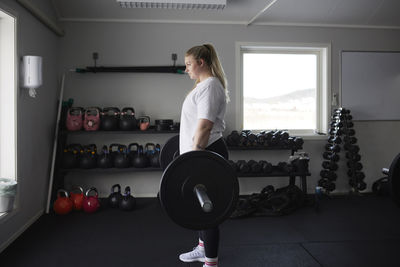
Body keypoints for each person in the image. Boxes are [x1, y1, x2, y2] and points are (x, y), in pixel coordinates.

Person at [178, 43, 229, 267]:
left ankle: (211, 262)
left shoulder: (210, 86)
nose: (186, 68)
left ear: (201, 62)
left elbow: (205, 126)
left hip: (206, 152)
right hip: (200, 152)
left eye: (189, 64)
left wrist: (195, 157)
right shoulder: (204, 86)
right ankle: (202, 249)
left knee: (209, 209)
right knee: (199, 205)